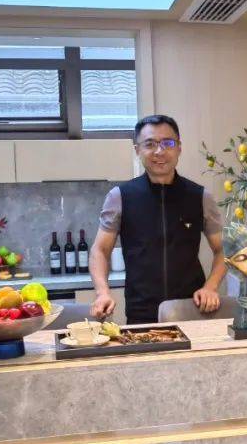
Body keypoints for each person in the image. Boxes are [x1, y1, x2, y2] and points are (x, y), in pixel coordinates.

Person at [89, 114, 226, 324]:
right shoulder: (120, 197)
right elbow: (100, 250)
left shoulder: (200, 197)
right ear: (137, 150)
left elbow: (223, 250)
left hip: (191, 311)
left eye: (168, 143)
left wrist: (211, 287)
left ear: (179, 148)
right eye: (150, 144)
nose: (159, 151)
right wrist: (102, 292)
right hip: (141, 315)